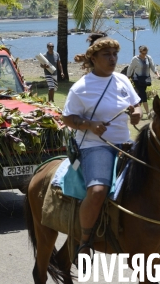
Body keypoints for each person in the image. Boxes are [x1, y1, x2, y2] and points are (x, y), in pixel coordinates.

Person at [62, 33, 141, 261]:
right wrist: (90, 125)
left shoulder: (122, 80)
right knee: (97, 191)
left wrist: (137, 113)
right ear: (93, 59)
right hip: (95, 146)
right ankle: (85, 241)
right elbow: (68, 118)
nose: (113, 58)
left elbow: (136, 106)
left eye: (115, 54)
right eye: (107, 54)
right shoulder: (81, 88)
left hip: (125, 143)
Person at [126, 45, 160, 119]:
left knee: (140, 97)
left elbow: (153, 67)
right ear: (140, 52)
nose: (144, 54)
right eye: (143, 53)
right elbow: (130, 68)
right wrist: (127, 77)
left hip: (145, 79)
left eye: (146, 53)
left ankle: (132, 111)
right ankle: (148, 113)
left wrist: (158, 75)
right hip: (137, 79)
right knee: (143, 95)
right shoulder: (135, 59)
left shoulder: (148, 58)